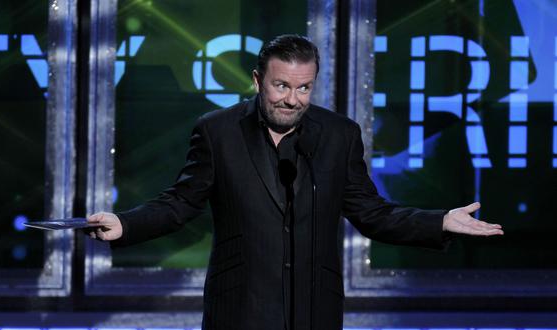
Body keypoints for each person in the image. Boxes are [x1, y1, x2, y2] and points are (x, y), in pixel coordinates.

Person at [86, 34, 503, 330]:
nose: (292, 99)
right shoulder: (218, 132)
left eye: (304, 88)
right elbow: (180, 202)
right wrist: (127, 224)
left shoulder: (340, 134)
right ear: (257, 80)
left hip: (314, 309)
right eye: (281, 86)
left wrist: (439, 222)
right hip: (241, 308)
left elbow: (372, 213)